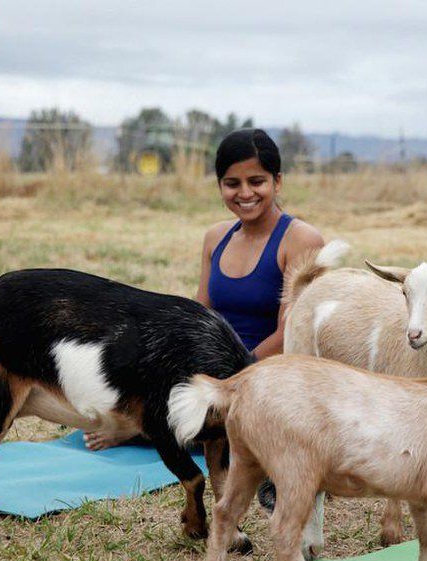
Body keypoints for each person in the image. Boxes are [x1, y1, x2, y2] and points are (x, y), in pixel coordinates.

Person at [82, 128, 324, 450]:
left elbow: (290, 333)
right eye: (232, 183)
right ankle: (150, 420)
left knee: (209, 418)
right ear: (220, 186)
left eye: (257, 181)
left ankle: (142, 429)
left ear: (277, 182)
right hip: (210, 374)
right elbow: (198, 316)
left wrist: (227, 381)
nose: (245, 193)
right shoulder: (216, 237)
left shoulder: (301, 239)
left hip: (265, 378)